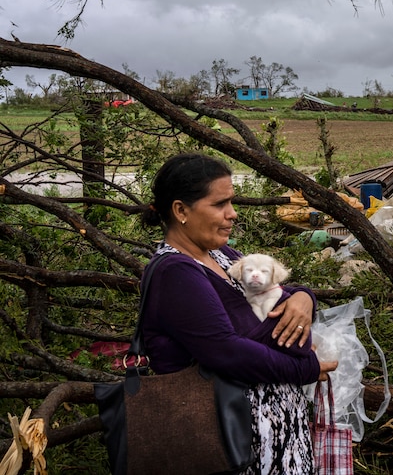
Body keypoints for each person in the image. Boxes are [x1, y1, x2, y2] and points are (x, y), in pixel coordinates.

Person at [139, 153, 338, 474]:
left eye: (231, 203)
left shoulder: (221, 254)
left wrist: (305, 298)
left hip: (274, 440)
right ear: (181, 210)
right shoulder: (175, 273)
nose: (232, 214)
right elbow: (227, 353)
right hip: (229, 445)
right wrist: (304, 369)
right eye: (219, 204)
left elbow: (280, 295)